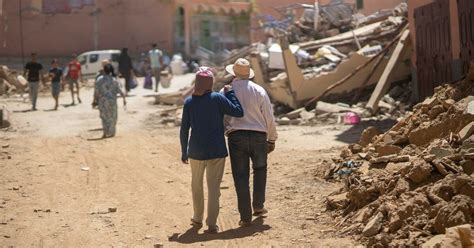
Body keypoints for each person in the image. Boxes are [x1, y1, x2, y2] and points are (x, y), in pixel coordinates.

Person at [180, 67, 244, 234]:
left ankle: (197, 218)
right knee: (214, 188)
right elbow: (238, 112)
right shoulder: (217, 98)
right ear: (210, 83)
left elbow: (184, 129)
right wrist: (230, 94)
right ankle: (212, 224)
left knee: (196, 185)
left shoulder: (189, 102)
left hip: (195, 151)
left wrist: (183, 151)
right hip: (216, 150)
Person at [223, 58, 277, 227]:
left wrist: (227, 130)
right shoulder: (259, 90)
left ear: (233, 73)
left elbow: (222, 115)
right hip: (259, 136)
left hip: (236, 136)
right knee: (260, 170)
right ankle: (258, 206)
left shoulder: (226, 91)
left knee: (240, 176)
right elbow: (269, 115)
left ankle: (245, 217)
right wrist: (272, 138)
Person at [93, 64, 126, 138]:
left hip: (102, 101)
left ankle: (105, 132)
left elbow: (96, 91)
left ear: (104, 70)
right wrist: (124, 98)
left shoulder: (99, 79)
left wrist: (95, 100)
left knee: (104, 116)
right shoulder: (114, 80)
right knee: (113, 116)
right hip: (112, 101)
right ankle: (112, 132)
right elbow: (119, 90)